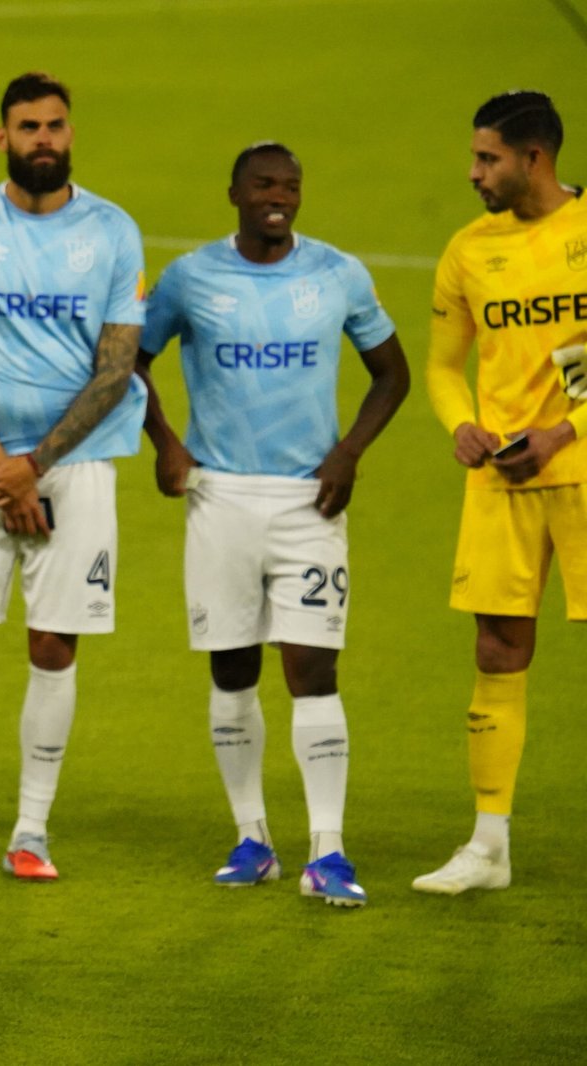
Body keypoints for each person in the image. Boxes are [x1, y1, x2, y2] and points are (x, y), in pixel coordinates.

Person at [137, 142, 409, 907]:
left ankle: (331, 850)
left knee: (312, 669)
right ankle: (253, 838)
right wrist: (166, 443)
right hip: (218, 497)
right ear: (233, 192)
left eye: (290, 185)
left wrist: (349, 452)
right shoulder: (191, 277)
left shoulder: (337, 274)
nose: (278, 196)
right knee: (231, 669)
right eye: (263, 184)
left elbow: (394, 371)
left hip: (307, 504)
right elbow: (131, 357)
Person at [0, 72, 146, 878]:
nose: (42, 138)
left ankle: (31, 832)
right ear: (2, 136)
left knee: (54, 643)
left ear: (70, 133)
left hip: (75, 468)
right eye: (27, 126)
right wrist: (0, 471)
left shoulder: (115, 232)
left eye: (55, 125)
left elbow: (116, 370)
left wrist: (35, 467)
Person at [414, 91, 587, 894]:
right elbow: (446, 365)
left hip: (580, 470)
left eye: (488, 158)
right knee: (496, 649)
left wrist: (565, 432)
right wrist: (461, 427)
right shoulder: (469, 250)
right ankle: (488, 847)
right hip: (503, 481)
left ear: (534, 159)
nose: (474, 171)